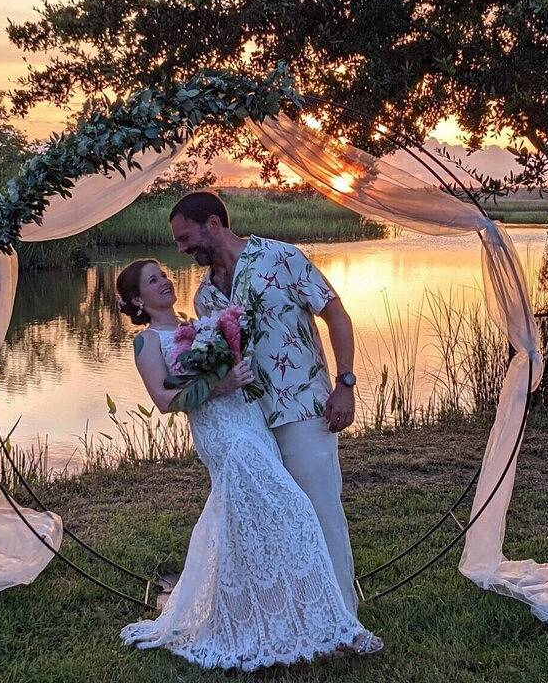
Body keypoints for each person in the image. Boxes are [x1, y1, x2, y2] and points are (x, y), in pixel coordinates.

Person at [116, 258, 382, 670]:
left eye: (164, 275)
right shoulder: (148, 342)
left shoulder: (195, 322)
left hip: (249, 421)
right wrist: (220, 384)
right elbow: (166, 401)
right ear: (137, 299)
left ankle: (276, 613)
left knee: (247, 521)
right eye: (153, 281)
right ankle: (292, 619)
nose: (165, 282)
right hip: (221, 432)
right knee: (292, 512)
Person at [169, 191, 359, 616]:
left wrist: (344, 383)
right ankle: (296, 617)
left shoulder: (281, 257)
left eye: (185, 238)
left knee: (320, 510)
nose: (182, 249)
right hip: (247, 422)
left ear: (214, 224)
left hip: (303, 408)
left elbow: (337, 315)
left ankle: (343, 619)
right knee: (272, 521)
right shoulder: (204, 298)